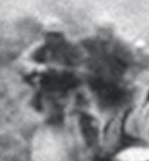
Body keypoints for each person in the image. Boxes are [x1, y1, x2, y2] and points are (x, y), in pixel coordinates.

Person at [15, 15, 102, 151]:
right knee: (53, 121)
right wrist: (37, 68)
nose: (52, 38)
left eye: (56, 35)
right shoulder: (40, 48)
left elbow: (85, 68)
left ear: (62, 35)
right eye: (49, 35)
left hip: (73, 88)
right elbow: (22, 62)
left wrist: (63, 71)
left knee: (87, 117)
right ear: (44, 34)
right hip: (49, 90)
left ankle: (96, 149)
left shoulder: (73, 47)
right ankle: (59, 153)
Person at [78, 20, 149, 108]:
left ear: (111, 32)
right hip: (96, 76)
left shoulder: (120, 45)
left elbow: (132, 62)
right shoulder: (91, 40)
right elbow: (76, 45)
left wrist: (128, 77)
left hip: (113, 81)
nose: (102, 34)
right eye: (100, 30)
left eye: (105, 31)